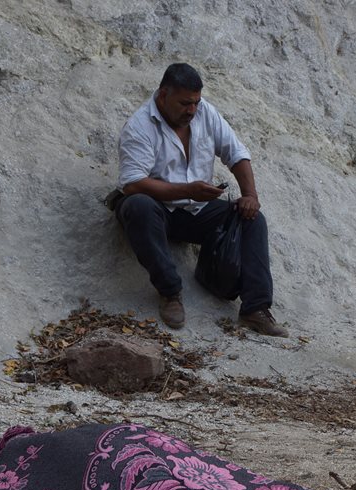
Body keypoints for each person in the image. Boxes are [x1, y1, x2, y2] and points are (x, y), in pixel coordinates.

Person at [115, 63, 287, 337]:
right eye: (185, 103)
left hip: (196, 209)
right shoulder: (140, 126)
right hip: (158, 209)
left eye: (195, 102)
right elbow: (133, 183)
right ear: (163, 95)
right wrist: (187, 191)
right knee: (138, 205)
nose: (192, 110)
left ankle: (255, 309)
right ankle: (170, 293)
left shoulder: (204, 112)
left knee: (251, 219)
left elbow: (236, 152)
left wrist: (250, 196)